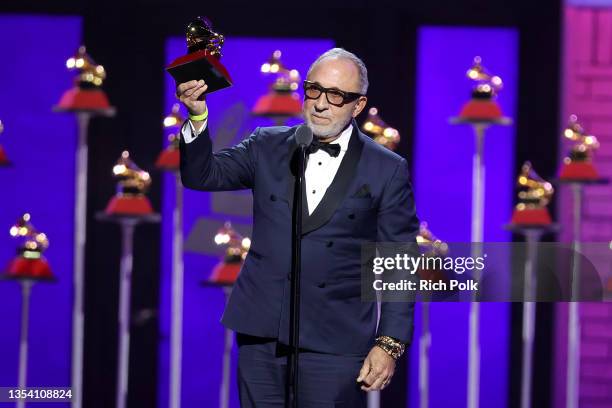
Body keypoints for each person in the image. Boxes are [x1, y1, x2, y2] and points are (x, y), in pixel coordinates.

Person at [177, 48, 419, 407]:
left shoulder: (386, 168)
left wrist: (389, 344)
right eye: (313, 90)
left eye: (336, 95)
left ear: (358, 105)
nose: (321, 103)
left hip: (336, 341)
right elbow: (202, 175)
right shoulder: (267, 145)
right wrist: (197, 117)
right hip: (263, 335)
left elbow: (400, 260)